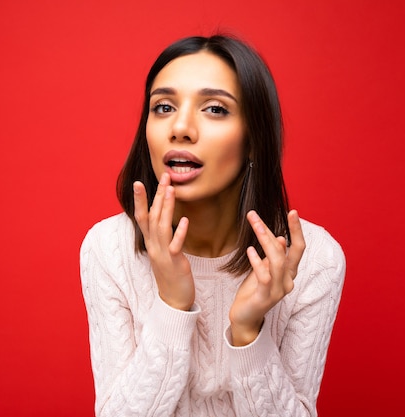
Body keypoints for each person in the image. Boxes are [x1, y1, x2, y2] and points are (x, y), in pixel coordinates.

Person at [80, 34, 345, 417]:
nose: (181, 128)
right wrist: (172, 305)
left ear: (254, 138)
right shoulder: (108, 249)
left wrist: (247, 330)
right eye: (164, 106)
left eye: (215, 109)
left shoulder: (314, 260)